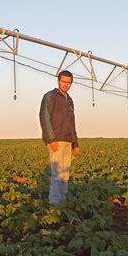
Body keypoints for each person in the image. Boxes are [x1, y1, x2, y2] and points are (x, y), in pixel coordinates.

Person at [39, 70, 80, 205]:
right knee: (57, 175)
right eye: (63, 82)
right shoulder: (50, 96)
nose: (66, 85)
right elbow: (44, 117)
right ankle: (55, 204)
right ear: (58, 81)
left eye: (69, 83)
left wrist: (75, 143)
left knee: (65, 175)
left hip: (68, 141)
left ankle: (63, 201)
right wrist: (51, 139)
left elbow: (72, 123)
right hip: (56, 140)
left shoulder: (70, 100)